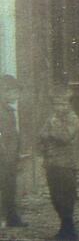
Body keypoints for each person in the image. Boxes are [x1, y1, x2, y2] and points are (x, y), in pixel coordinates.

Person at [40, 91, 79, 240]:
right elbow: (42, 134)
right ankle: (64, 227)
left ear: (69, 104)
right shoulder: (52, 118)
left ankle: (69, 230)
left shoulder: (72, 119)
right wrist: (49, 133)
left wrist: (52, 130)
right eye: (56, 104)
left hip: (65, 164)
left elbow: (65, 137)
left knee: (66, 197)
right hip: (51, 163)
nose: (59, 107)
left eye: (63, 104)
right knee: (55, 197)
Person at [0, 75, 26, 228]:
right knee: (5, 186)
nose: (17, 96)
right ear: (5, 91)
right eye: (15, 92)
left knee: (10, 186)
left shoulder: (8, 110)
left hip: (10, 156)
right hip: (3, 156)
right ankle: (6, 217)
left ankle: (11, 217)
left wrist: (17, 152)